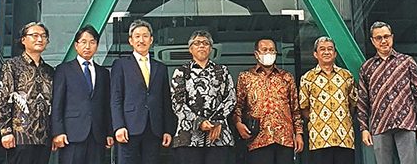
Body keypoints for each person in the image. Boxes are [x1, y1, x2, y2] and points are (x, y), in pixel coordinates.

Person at [357, 21, 417, 164]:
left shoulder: (407, 62)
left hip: (406, 122)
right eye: (378, 38)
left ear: (392, 37)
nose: (383, 41)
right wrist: (364, 129)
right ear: (372, 41)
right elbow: (362, 101)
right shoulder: (366, 67)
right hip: (380, 124)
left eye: (386, 36)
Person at [111, 19, 174, 164]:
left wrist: (167, 129)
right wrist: (119, 126)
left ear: (151, 40)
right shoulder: (121, 65)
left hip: (154, 128)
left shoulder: (160, 67)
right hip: (128, 128)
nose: (141, 40)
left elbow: (165, 100)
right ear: (130, 41)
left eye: (145, 36)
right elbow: (116, 98)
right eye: (137, 36)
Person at [233, 38, 303, 164]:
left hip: (284, 139)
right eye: (264, 50)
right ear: (256, 54)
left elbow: (295, 109)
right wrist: (238, 124)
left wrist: (298, 133)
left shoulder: (286, 77)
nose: (268, 53)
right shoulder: (245, 77)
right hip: (258, 140)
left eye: (271, 50)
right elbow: (238, 106)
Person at [170, 30, 236, 164]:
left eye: (206, 43)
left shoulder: (222, 71)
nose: (201, 46)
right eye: (197, 43)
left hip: (218, 136)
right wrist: (199, 122)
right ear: (190, 49)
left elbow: (231, 98)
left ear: (211, 48)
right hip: (189, 137)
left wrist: (217, 121)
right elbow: (177, 103)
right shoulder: (181, 72)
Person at [51, 25, 114, 164]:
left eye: (92, 42)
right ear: (76, 45)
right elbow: (57, 103)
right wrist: (58, 131)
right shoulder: (64, 70)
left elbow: (106, 105)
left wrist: (109, 132)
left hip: (97, 135)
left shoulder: (103, 73)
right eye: (83, 42)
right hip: (71, 134)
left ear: (97, 45)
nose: (87, 46)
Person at [0, 22, 54, 164]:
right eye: (35, 35)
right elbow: (3, 99)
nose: (40, 39)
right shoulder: (12, 66)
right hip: (20, 137)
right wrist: (6, 131)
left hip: (44, 138)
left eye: (43, 36)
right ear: (23, 40)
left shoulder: (49, 70)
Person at [299, 36, 357, 164]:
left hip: (345, 137)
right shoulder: (307, 78)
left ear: (335, 53)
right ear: (315, 54)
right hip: (319, 139)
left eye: (330, 49)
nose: (326, 52)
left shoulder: (347, 76)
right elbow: (304, 107)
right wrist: (318, 120)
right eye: (322, 49)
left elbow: (352, 104)